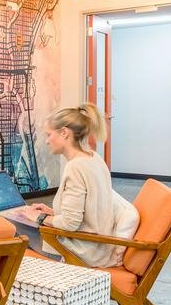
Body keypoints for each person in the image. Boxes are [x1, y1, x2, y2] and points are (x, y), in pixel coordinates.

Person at [22, 103, 119, 267]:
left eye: (49, 134)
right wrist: (52, 212)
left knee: (13, 231)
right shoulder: (94, 158)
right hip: (100, 249)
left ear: (64, 133)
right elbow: (87, 212)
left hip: (83, 252)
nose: (46, 141)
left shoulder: (75, 167)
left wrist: (39, 217)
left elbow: (70, 224)